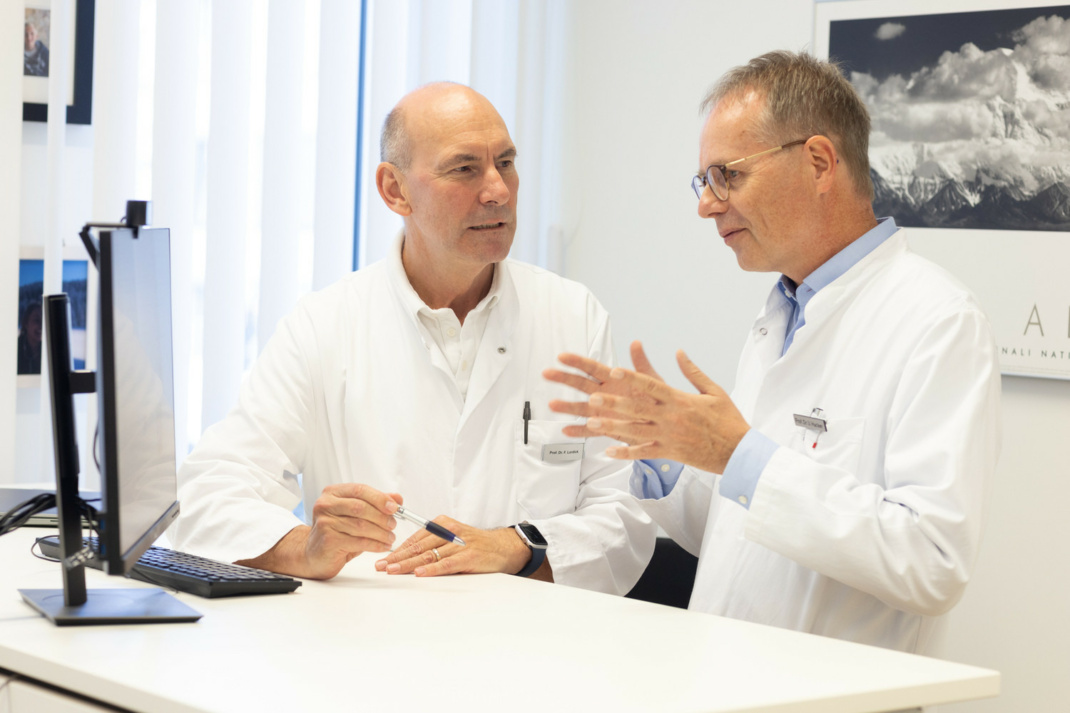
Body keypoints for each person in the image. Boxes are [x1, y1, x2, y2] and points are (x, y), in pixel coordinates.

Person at [544, 51, 1001, 653]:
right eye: (703, 182)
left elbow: (931, 561)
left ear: (817, 163)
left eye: (726, 175)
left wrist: (738, 455)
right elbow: (747, 526)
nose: (706, 204)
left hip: (837, 691)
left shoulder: (938, 321)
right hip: (731, 675)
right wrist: (668, 457)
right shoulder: (780, 315)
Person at [171, 83, 655, 594]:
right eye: (464, 168)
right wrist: (307, 548)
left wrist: (517, 545)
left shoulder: (573, 316)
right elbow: (207, 493)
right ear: (394, 190)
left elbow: (624, 510)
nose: (499, 190)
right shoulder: (324, 325)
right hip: (373, 644)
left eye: (506, 162)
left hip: (531, 646)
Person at [17, 302, 43, 375]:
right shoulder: (15, 350)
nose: (41, 325)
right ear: (26, 324)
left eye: (43, 320)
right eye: (36, 320)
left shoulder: (47, 351)